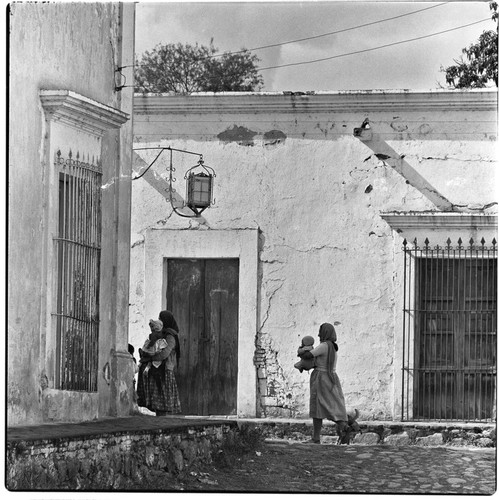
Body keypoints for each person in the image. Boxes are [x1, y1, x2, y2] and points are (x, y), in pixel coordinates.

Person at [301, 322, 348, 444]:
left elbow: (308, 355)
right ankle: (344, 426)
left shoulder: (324, 346)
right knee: (330, 406)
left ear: (324, 333)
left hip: (320, 378)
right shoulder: (333, 346)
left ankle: (316, 438)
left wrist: (303, 348)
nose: (318, 334)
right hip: (331, 377)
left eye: (320, 332)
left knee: (317, 407)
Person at [136, 311, 182, 416]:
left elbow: (164, 354)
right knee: (157, 400)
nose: (159, 320)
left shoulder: (170, 336)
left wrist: (149, 358)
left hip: (164, 370)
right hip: (157, 369)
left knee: (163, 399)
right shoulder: (160, 334)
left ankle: (163, 421)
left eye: (161, 318)